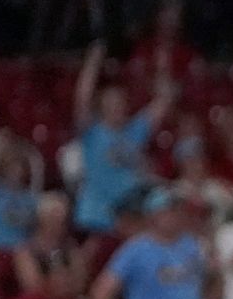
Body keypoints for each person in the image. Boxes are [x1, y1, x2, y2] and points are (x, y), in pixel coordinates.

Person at [70, 41, 174, 235]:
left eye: (121, 102)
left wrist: (162, 63)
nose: (117, 107)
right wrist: (92, 64)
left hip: (131, 215)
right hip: (97, 217)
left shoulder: (135, 131)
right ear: (101, 107)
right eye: (111, 103)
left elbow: (164, 99)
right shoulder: (92, 132)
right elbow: (82, 100)